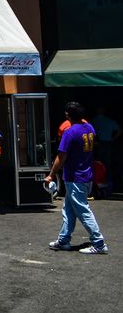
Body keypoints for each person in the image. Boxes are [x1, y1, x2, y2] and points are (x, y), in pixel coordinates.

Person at [45, 102, 109, 254]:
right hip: (86, 175)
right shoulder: (90, 128)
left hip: (75, 177)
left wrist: (51, 175)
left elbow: (61, 157)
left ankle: (99, 243)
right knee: (69, 210)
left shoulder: (70, 132)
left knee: (82, 210)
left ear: (68, 115)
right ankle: (63, 240)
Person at [91, 106, 120, 178]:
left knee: (98, 163)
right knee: (107, 163)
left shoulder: (93, 121)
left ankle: (99, 180)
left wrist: (93, 141)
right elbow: (119, 131)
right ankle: (107, 180)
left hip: (98, 144)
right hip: (107, 143)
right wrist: (113, 139)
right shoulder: (109, 120)